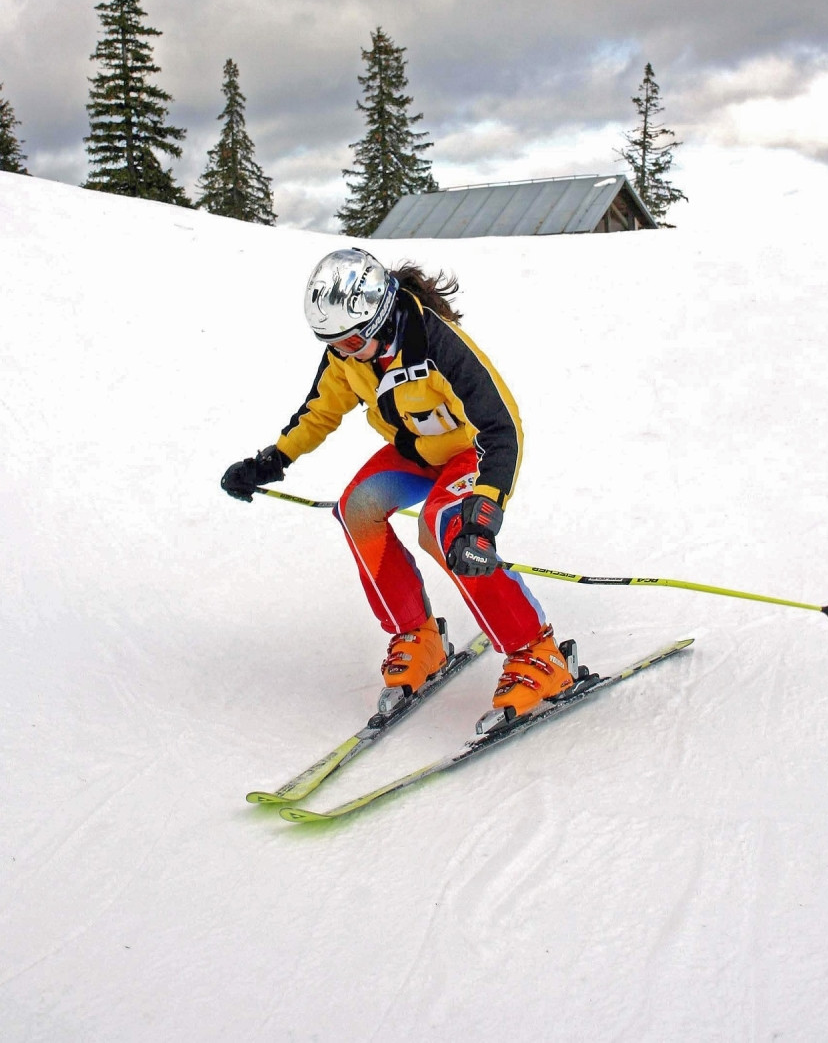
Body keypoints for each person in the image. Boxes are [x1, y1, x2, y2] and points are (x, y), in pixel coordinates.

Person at [221, 246, 575, 725]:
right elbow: (319, 410)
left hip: (471, 452)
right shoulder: (347, 357)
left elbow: (501, 429)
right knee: (357, 508)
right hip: (416, 453)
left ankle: (538, 653)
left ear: (379, 321)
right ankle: (418, 635)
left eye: (348, 342)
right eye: (331, 343)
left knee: (445, 526)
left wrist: (483, 515)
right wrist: (272, 460)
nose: (339, 351)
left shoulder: (438, 344)